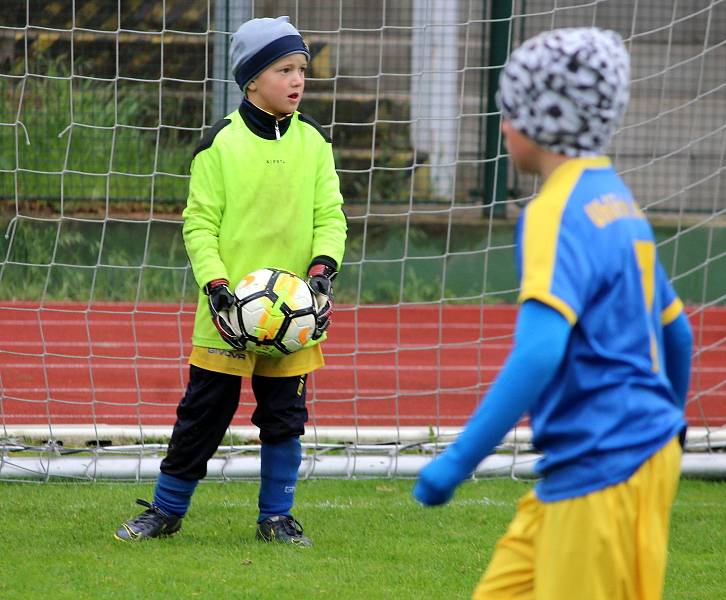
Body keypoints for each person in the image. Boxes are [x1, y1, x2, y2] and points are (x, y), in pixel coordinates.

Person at [413, 28, 693, 599]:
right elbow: (678, 331)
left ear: (541, 120)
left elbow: (541, 349)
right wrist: (672, 428)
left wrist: (457, 461)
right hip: (619, 455)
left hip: (604, 465)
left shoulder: (553, 211)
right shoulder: (618, 199)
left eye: (508, 112)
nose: (503, 126)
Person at [115, 16, 347, 547]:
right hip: (225, 314)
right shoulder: (218, 145)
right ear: (250, 79)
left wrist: (322, 271)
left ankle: (277, 517)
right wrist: (218, 287)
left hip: (294, 317)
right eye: (284, 69)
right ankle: (166, 510)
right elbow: (199, 224)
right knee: (204, 414)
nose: (297, 80)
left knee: (285, 415)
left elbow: (331, 216)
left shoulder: (314, 143)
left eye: (301, 70)